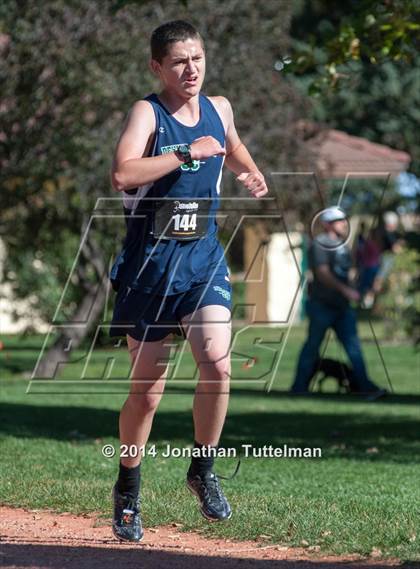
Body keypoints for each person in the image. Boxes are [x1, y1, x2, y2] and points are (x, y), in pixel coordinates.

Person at [108, 20, 268, 542]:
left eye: (197, 58)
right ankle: (128, 489)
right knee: (147, 394)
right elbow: (123, 174)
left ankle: (203, 468)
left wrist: (248, 169)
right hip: (149, 270)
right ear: (158, 66)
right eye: (179, 61)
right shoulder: (147, 112)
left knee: (218, 364)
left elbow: (231, 142)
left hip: (201, 261)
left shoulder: (219, 108)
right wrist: (184, 153)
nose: (191, 69)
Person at [290, 206, 386, 399]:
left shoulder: (342, 245)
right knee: (312, 347)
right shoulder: (320, 244)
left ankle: (365, 387)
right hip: (322, 305)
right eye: (339, 220)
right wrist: (346, 290)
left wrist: (356, 285)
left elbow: (346, 272)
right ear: (327, 224)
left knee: (353, 348)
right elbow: (322, 273)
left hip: (342, 307)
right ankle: (299, 388)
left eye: (344, 220)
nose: (344, 223)